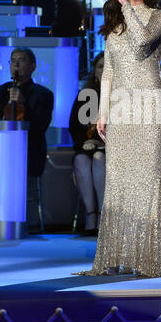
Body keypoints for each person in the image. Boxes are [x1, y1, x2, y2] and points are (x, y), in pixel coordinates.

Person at [73, 0, 161, 277]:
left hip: (149, 104)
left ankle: (149, 259)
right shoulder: (114, 22)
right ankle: (114, 256)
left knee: (148, 180)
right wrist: (102, 113)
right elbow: (110, 72)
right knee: (119, 182)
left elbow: (144, 42)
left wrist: (125, 7)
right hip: (121, 108)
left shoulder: (160, 16)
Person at [0, 47, 54, 230]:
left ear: (33, 66)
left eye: (21, 60)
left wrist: (24, 103)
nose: (16, 64)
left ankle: (28, 222)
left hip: (29, 150)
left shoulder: (43, 94)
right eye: (13, 60)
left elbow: (40, 126)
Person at [69, 51, 105, 235]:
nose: (104, 70)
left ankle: (102, 216)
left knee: (99, 157)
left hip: (110, 150)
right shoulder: (85, 95)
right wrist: (85, 142)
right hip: (86, 146)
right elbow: (74, 126)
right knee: (81, 160)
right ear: (94, 72)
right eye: (100, 67)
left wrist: (101, 144)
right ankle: (91, 216)